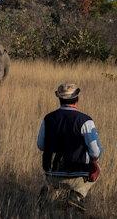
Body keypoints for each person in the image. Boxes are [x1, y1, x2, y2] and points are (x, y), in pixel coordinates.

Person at [37, 83, 103, 211]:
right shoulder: (85, 120)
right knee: (97, 168)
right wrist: (95, 163)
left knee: (52, 199)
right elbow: (95, 152)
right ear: (77, 99)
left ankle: (49, 196)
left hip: (52, 174)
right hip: (79, 174)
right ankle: (77, 195)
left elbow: (40, 145)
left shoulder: (48, 118)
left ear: (59, 99)